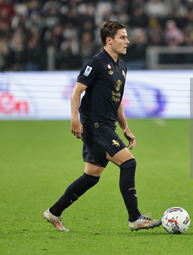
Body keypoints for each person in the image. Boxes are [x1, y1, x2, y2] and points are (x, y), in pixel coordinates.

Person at [43, 21, 161, 232]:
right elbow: (76, 91)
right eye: (122, 37)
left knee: (91, 177)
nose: (127, 41)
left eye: (127, 37)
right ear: (109, 40)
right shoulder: (96, 63)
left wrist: (125, 128)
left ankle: (54, 212)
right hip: (95, 126)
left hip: (107, 126)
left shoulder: (121, 67)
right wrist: (74, 119)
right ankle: (135, 218)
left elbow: (117, 101)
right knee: (128, 163)